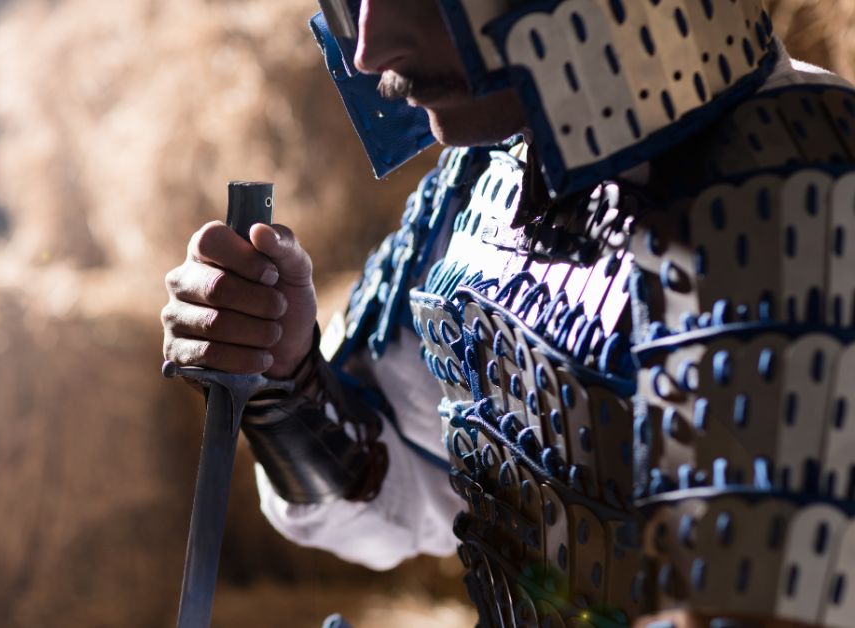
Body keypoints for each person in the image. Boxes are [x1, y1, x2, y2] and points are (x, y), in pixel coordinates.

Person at [162, 0, 855, 625]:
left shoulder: (802, 185)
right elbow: (405, 495)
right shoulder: (492, 171)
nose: (369, 51)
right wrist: (286, 378)